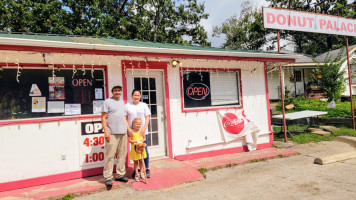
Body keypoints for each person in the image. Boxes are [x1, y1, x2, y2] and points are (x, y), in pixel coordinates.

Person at [101, 84, 128, 190]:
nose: (118, 92)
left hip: (123, 133)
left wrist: (128, 130)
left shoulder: (122, 103)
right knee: (110, 156)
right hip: (111, 133)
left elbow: (124, 118)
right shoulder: (107, 102)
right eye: (115, 90)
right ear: (112, 92)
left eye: (119, 90)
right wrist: (106, 132)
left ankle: (120, 175)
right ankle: (108, 177)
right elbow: (103, 118)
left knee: (122, 155)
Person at [125, 89, 151, 178]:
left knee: (144, 150)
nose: (136, 97)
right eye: (135, 95)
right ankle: (137, 170)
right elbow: (125, 118)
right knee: (135, 151)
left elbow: (147, 118)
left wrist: (144, 129)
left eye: (138, 95)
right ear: (132, 96)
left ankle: (146, 168)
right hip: (133, 133)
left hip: (142, 132)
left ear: (140, 96)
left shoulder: (144, 105)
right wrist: (128, 129)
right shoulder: (128, 105)